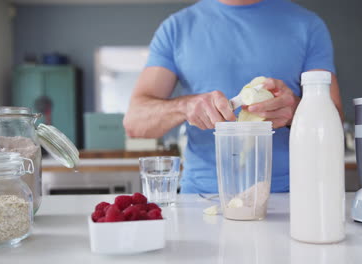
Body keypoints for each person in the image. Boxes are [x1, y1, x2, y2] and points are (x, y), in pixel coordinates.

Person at [124, 0, 344, 193]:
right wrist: (186, 106)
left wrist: (295, 109)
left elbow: (335, 122)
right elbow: (135, 122)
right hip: (201, 198)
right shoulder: (176, 28)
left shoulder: (307, 26)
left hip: (291, 196)